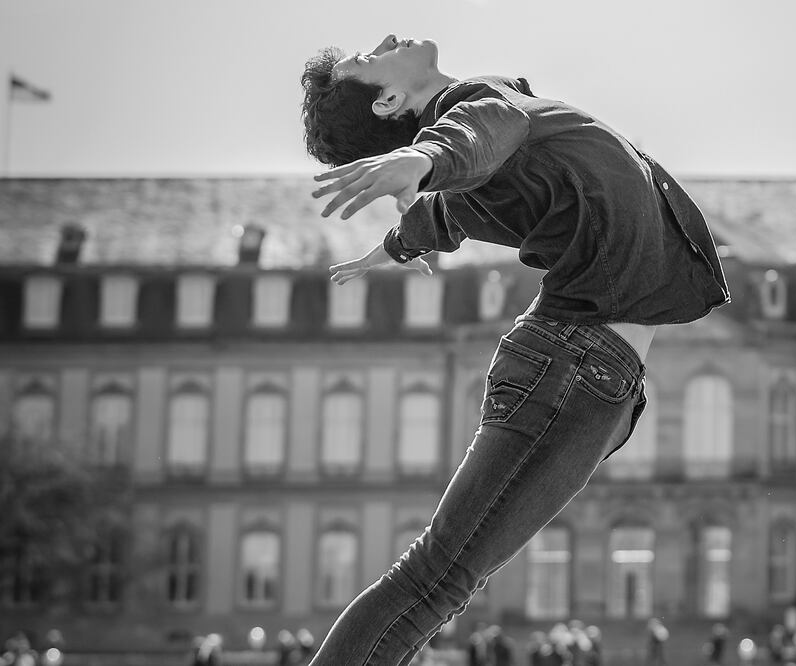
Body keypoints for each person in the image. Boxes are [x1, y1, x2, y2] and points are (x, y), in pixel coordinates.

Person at [301, 33, 729, 666]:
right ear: (389, 99)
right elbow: (478, 131)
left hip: (590, 377)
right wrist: (425, 161)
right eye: (370, 56)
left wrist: (397, 243)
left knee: (441, 580)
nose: (387, 37)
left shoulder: (495, 146)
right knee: (433, 577)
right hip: (571, 365)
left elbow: (462, 205)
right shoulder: (475, 111)